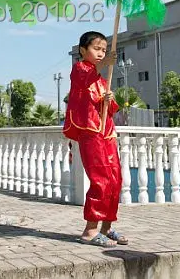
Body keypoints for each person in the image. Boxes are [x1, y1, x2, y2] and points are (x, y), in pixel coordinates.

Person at [62, 31, 128, 247]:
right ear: (83, 50)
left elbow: (109, 109)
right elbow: (83, 82)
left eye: (103, 50)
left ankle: (107, 227)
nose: (101, 53)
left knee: (115, 179)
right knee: (100, 179)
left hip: (106, 131)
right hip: (90, 131)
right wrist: (104, 64)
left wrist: (109, 100)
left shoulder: (101, 79)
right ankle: (90, 230)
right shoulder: (79, 69)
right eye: (96, 49)